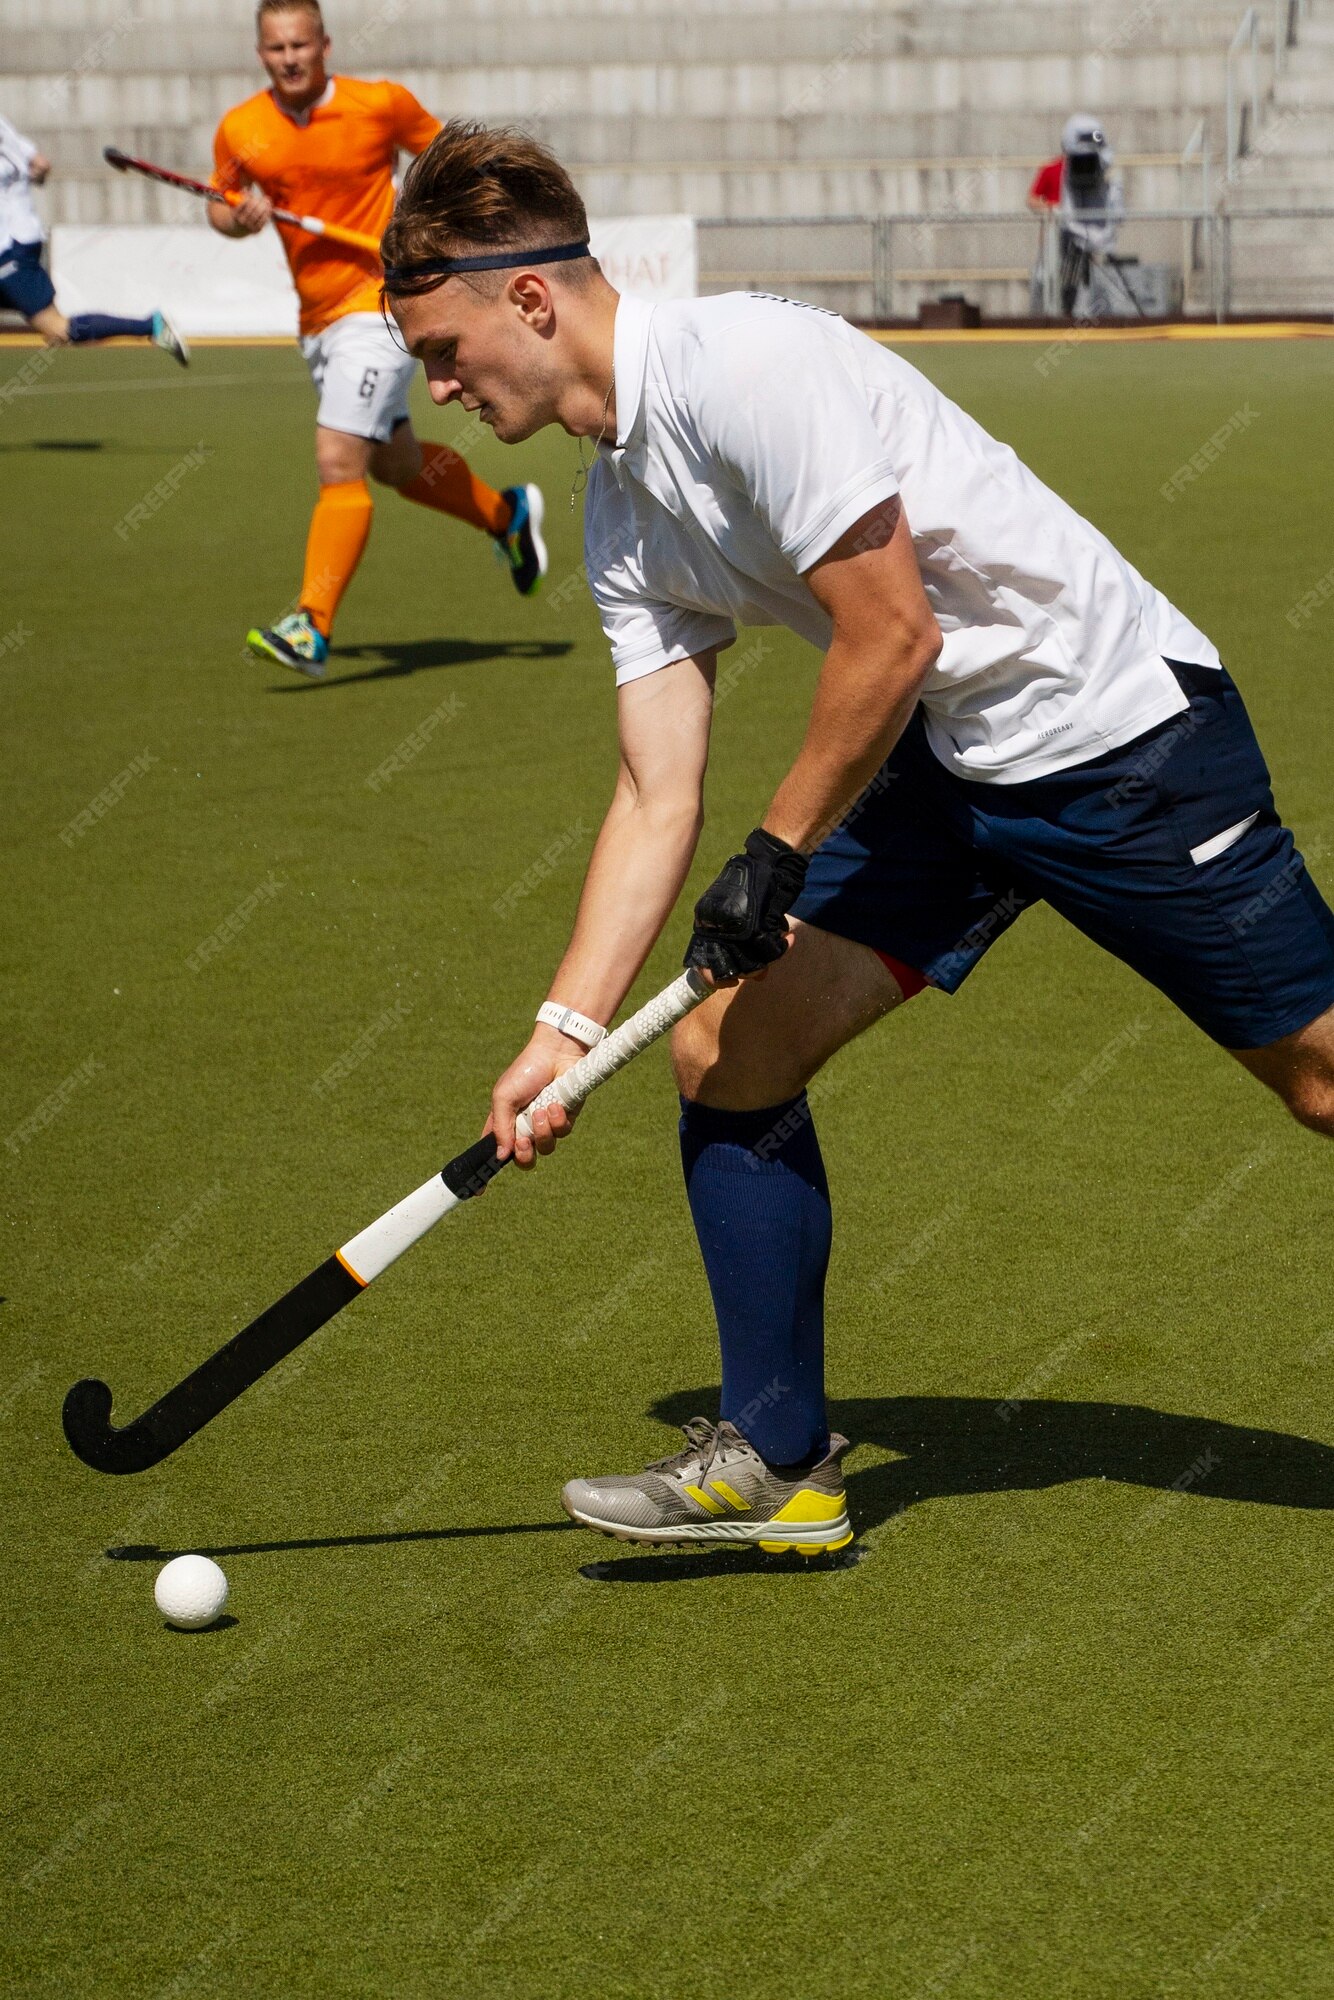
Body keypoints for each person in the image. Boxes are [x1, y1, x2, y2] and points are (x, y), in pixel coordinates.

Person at [384, 122, 1334, 1556]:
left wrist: (773, 851)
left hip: (1119, 739)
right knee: (724, 1048)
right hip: (954, 765)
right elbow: (654, 789)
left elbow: (892, 633)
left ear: (529, 297)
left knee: (1320, 1082)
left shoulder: (743, 373)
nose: (437, 388)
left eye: (444, 350)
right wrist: (563, 1027)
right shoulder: (616, 506)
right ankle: (775, 1460)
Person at [210, 1, 546, 679]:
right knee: (392, 465)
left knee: (339, 458)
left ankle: (311, 626)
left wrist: (435, 232)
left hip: (383, 304)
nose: (291, 58)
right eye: (276, 49)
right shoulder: (242, 128)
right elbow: (220, 202)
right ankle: (506, 517)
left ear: (325, 43)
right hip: (318, 320)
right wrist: (237, 218)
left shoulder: (379, 106)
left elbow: (450, 159)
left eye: (301, 44)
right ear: (260, 54)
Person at [0, 112, 188, 364]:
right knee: (56, 330)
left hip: (9, 248)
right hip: (22, 236)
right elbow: (41, 165)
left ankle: (150, 326)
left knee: (57, 328)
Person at [1027, 114, 1124, 316]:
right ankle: (1047, 317)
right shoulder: (1051, 168)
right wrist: (1055, 210)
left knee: (1081, 284)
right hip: (1058, 238)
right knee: (1048, 280)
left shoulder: (1099, 168)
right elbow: (1032, 199)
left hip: (1085, 236)